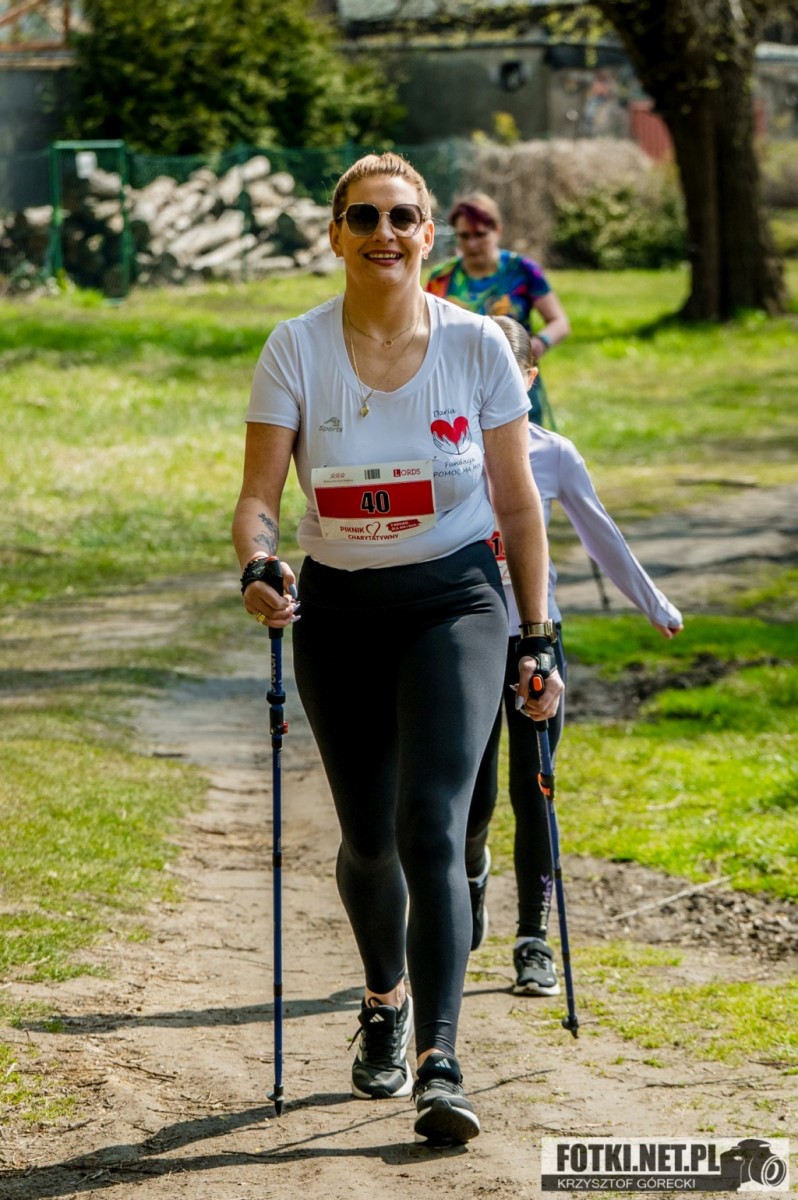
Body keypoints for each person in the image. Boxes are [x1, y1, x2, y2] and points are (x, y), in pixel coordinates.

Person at [231, 153, 564, 1147]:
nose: (386, 233)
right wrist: (258, 566)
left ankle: (439, 1057)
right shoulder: (295, 347)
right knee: (369, 838)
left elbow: (518, 505)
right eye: (365, 217)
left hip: (455, 602)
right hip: (339, 609)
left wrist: (536, 637)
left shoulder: (476, 344)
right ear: (335, 233)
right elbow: (258, 501)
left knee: (432, 827)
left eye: (403, 216)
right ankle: (383, 999)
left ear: (427, 234)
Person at [466, 315, 683, 996]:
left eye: (506, 372)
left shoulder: (552, 453)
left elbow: (601, 533)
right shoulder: (445, 449)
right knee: (471, 796)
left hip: (536, 638)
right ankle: (470, 875)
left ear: (529, 379)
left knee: (534, 789)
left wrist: (653, 603)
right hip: (462, 640)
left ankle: (533, 940)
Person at [425, 192, 570, 424]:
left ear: (497, 231)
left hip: (516, 378)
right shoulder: (442, 277)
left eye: (480, 234)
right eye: (464, 236)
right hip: (459, 384)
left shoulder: (522, 270)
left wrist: (539, 343)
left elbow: (559, 322)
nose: (472, 244)